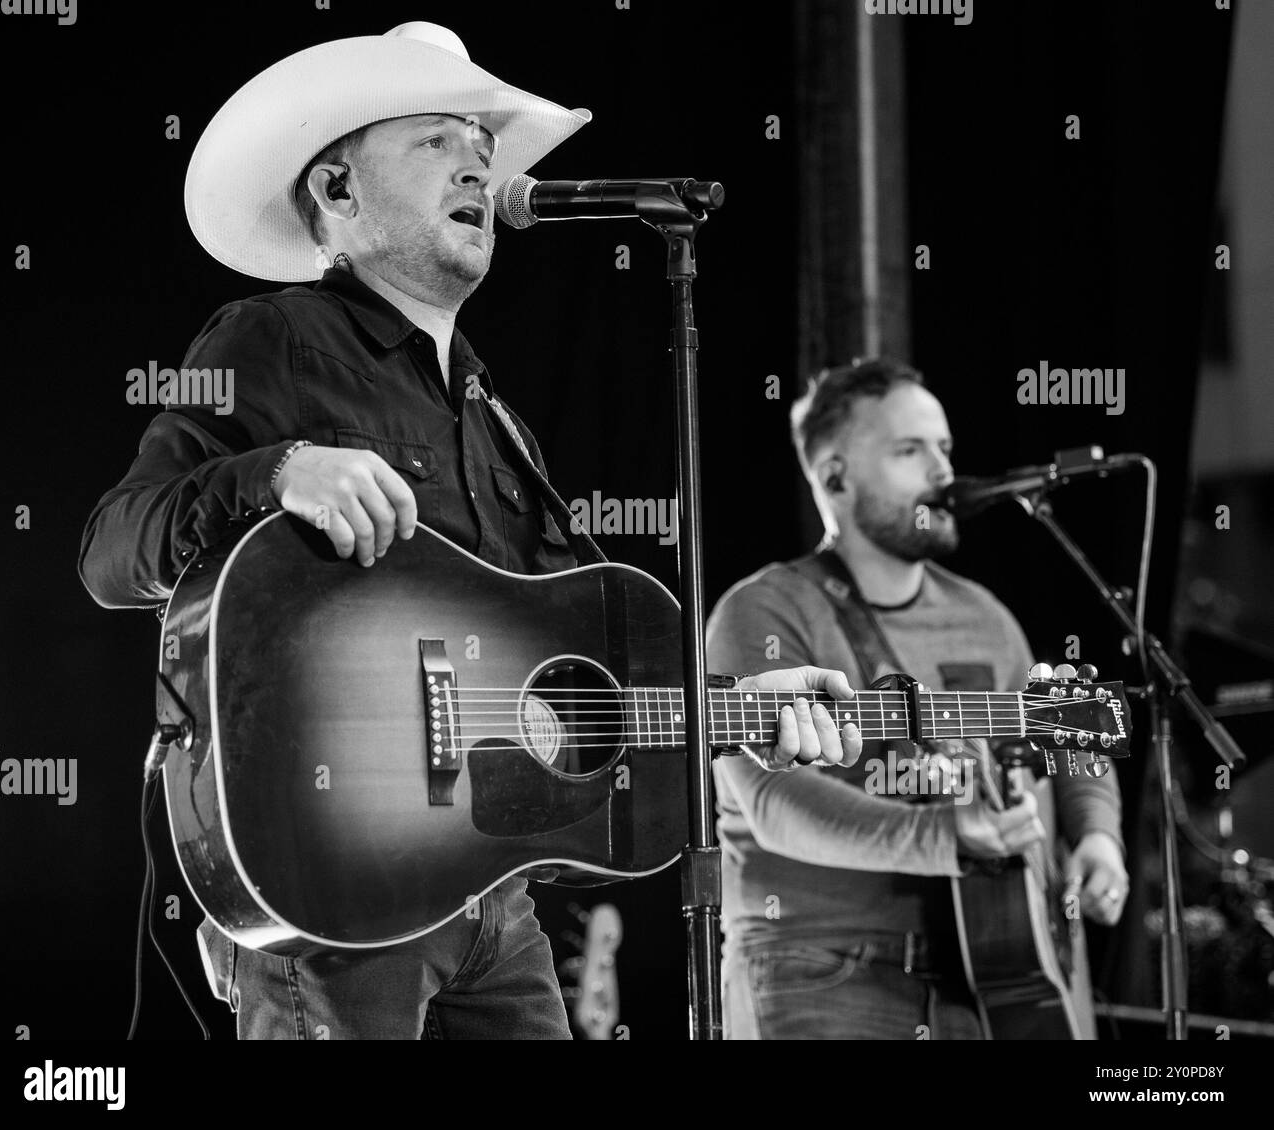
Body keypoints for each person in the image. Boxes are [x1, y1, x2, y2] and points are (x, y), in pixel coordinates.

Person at [78, 20, 862, 1040]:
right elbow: (110, 550)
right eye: (437, 140)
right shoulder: (271, 338)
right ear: (337, 191)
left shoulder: (497, 418)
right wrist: (276, 471)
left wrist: (734, 706)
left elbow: (570, 666)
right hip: (330, 891)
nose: (478, 161)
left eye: (480, 145)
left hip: (489, 894)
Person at [706, 357, 1130, 1040]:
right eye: (910, 450)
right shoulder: (763, 613)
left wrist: (1098, 838)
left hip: (1001, 972)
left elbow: (1067, 734)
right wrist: (943, 836)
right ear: (836, 477)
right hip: (822, 970)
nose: (942, 471)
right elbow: (774, 805)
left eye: (945, 449)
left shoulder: (985, 615)